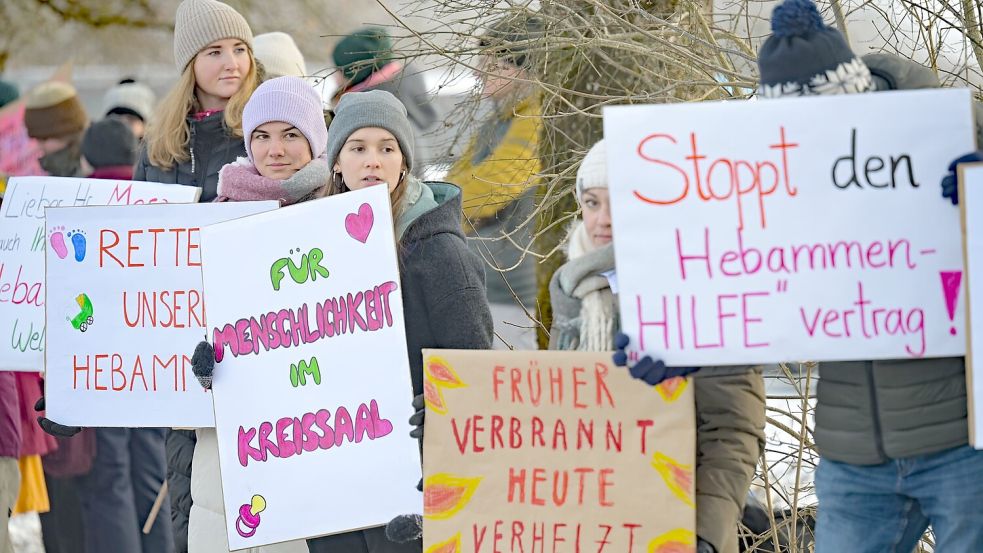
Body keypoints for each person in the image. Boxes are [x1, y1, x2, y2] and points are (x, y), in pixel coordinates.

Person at [753, 1, 983, 551]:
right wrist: (673, 341)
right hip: (853, 455)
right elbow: (742, 283)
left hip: (963, 441)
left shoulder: (959, 133)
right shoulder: (769, 177)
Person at [299, 89, 492, 552]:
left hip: (417, 473)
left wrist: (442, 411)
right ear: (336, 163)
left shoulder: (439, 250)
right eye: (358, 148)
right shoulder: (310, 249)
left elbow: (476, 367)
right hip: (333, 469)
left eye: (387, 148)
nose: (373, 161)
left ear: (403, 162)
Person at [558, 141, 766, 553]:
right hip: (592, 520)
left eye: (620, 203)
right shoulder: (571, 285)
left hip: (674, 519)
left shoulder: (701, 288)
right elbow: (558, 414)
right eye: (592, 202)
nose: (604, 221)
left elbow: (733, 430)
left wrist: (705, 534)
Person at [189, 75, 330, 553]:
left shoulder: (342, 213)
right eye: (262, 136)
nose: (276, 149)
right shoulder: (217, 217)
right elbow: (183, 316)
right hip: (232, 441)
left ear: (314, 139)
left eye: (291, 134)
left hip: (322, 434)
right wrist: (198, 358)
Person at [445, 12, 543, 350]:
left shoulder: (538, 120)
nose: (478, 71)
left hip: (518, 295)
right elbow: (454, 183)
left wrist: (444, 219)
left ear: (524, 69)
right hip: (485, 285)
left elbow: (492, 188)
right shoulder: (498, 121)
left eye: (494, 64)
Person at [331, 27, 437, 172]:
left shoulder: (373, 115)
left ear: (357, 71)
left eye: (339, 70)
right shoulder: (405, 99)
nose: (335, 78)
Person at [23, 81, 89, 178]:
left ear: (65, 132)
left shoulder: (93, 165)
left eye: (44, 138)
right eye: (37, 139)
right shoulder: (57, 165)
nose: (39, 146)